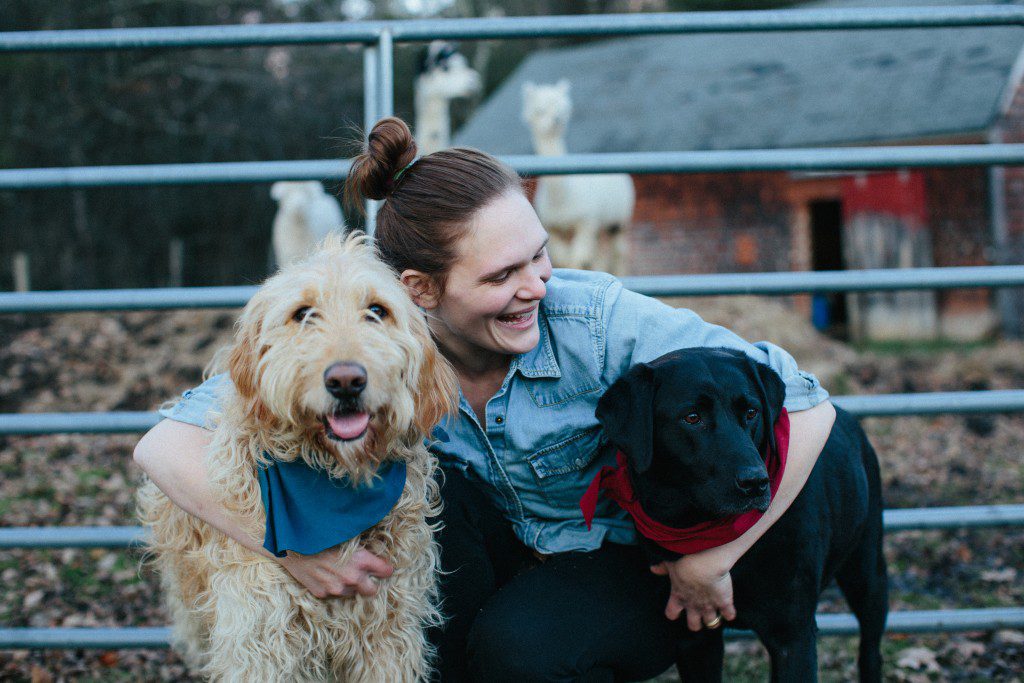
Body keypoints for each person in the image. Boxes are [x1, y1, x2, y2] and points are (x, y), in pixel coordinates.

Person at [134, 116, 835, 682]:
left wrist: (718, 553)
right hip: (488, 552)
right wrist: (288, 548)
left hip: (616, 561)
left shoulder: (593, 319)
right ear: (421, 291)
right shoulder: (382, 335)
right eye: (503, 273)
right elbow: (162, 445)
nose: (536, 284)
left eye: (539, 254)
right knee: (438, 498)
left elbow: (810, 405)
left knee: (519, 650)